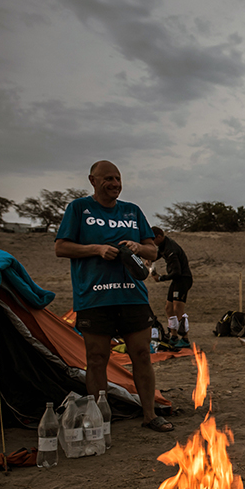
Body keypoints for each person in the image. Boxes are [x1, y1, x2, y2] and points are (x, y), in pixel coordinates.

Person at [55, 160, 173, 432]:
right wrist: (96, 249)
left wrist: (137, 247)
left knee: (142, 354)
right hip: (94, 298)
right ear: (92, 180)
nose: (115, 184)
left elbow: (153, 252)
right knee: (97, 358)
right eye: (108, 178)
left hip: (133, 296)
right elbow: (61, 248)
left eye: (118, 178)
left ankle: (149, 415)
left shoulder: (132, 211)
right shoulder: (79, 209)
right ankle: (97, 420)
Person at [150, 227, 193, 348]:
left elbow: (177, 272)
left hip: (183, 279)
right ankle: (173, 336)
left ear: (159, 237)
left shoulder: (171, 250)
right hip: (176, 280)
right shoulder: (164, 245)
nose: (152, 242)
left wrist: (161, 278)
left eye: (153, 239)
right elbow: (158, 254)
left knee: (178, 308)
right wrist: (151, 258)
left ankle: (185, 339)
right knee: (169, 308)